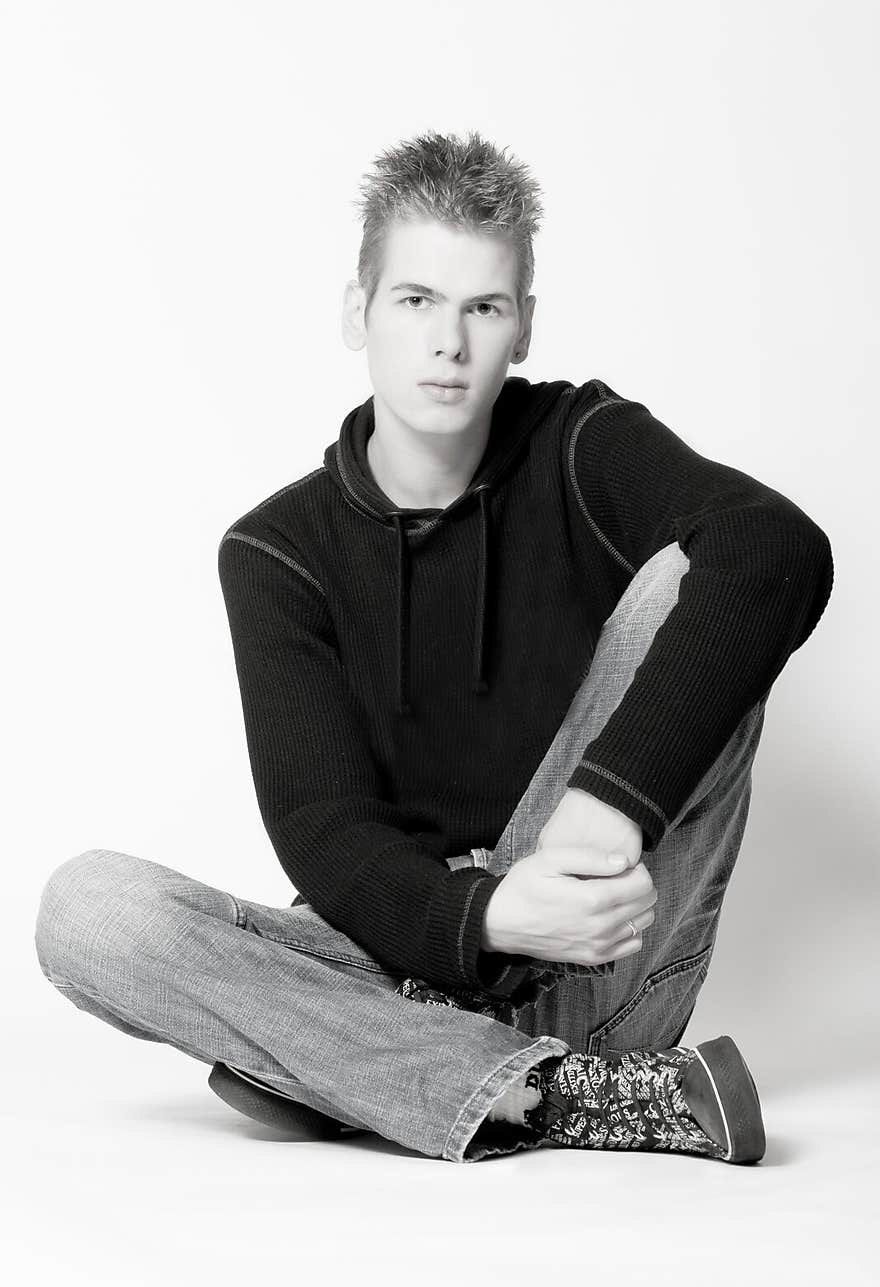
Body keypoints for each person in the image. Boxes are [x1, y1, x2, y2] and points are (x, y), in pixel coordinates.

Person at [35, 129, 834, 1165]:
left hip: (592, 959)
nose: (447, 343)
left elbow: (774, 549)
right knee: (88, 910)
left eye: (483, 307)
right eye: (415, 300)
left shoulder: (584, 446)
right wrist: (492, 910)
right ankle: (552, 1095)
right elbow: (324, 832)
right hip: (397, 951)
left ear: (523, 327)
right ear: (356, 311)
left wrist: (610, 803)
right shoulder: (278, 551)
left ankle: (351, 1065)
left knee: (700, 574)